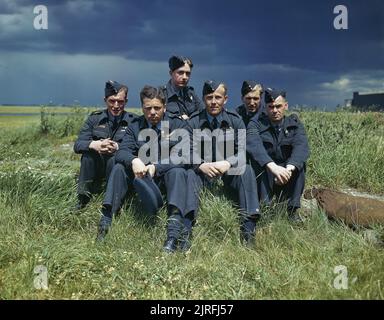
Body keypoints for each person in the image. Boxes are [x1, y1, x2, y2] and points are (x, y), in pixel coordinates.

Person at [96, 86, 194, 253]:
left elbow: (188, 155)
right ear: (142, 107)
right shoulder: (135, 126)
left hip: (165, 178)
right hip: (141, 179)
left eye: (157, 108)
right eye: (148, 108)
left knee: (178, 171)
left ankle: (173, 234)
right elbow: (122, 151)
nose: (153, 112)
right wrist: (134, 161)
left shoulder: (178, 124)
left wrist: (157, 167)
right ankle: (106, 222)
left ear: (165, 106)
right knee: (119, 167)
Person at [188, 80, 260, 246]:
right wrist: (200, 165)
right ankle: (188, 227)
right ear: (203, 99)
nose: (213, 102)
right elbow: (186, 151)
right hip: (202, 172)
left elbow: (242, 151)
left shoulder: (235, 121)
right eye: (209, 97)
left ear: (225, 99)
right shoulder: (193, 122)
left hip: (227, 172)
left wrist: (228, 163)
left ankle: (248, 229)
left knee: (246, 169)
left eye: (218, 97)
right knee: (189, 174)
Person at [246, 88, 310, 222]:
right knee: (258, 163)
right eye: (271, 107)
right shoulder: (256, 124)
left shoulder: (294, 124)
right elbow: (254, 145)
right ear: (266, 107)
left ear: (285, 106)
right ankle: (266, 208)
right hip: (267, 173)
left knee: (300, 165)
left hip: (286, 174)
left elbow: (301, 147)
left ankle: (292, 210)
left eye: (278, 106)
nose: (275, 110)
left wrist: (288, 170)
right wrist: (273, 168)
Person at [73, 80, 137, 210]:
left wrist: (117, 148)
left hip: (118, 168)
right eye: (112, 101)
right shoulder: (94, 119)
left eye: (120, 101)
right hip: (97, 167)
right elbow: (78, 145)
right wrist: (95, 144)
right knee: (87, 155)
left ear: (126, 101)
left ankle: (114, 201)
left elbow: (138, 148)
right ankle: (83, 199)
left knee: (116, 158)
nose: (116, 105)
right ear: (105, 100)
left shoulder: (133, 121)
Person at [162, 55, 204, 120]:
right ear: (171, 73)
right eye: (180, 72)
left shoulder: (191, 94)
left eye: (187, 73)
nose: (184, 77)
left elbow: (204, 113)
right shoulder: (161, 95)